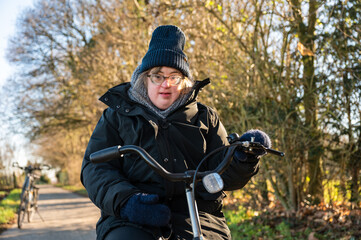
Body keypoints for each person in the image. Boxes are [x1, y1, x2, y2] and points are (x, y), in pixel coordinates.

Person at [81, 25, 271, 240]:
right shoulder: (116, 116)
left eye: (175, 76)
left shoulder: (205, 117)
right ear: (144, 78)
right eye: (158, 76)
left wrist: (242, 158)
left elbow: (222, 172)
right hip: (132, 214)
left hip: (198, 214)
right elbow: (95, 168)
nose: (166, 84)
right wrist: (127, 202)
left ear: (185, 81)